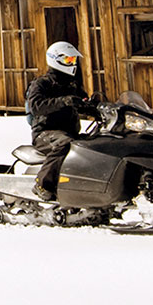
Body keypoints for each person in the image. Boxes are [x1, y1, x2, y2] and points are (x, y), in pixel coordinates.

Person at [26, 41, 92, 201]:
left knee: (94, 145)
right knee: (65, 144)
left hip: (69, 132)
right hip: (45, 133)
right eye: (68, 60)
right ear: (56, 59)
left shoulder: (72, 84)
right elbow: (36, 106)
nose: (72, 63)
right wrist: (64, 101)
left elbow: (83, 101)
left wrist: (94, 107)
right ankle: (43, 185)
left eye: (73, 60)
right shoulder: (42, 84)